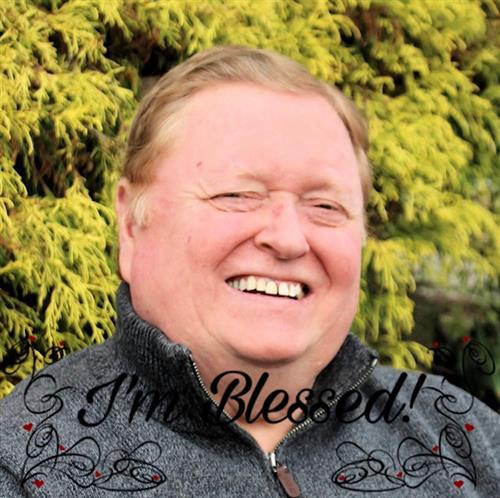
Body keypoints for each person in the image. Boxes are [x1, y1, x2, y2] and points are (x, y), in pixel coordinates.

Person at [0, 46, 498, 498]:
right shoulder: (28, 464)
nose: (288, 238)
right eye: (236, 195)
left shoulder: (465, 440)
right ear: (131, 223)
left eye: (325, 206)